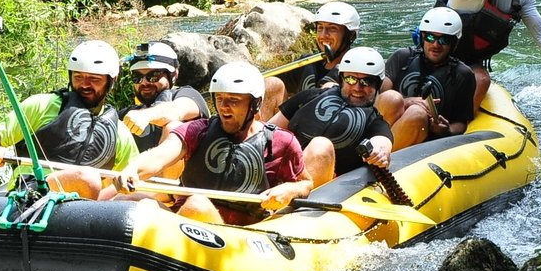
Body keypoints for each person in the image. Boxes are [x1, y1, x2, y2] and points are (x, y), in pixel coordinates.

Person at [115, 61, 312, 225]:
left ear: (255, 104)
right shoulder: (197, 130)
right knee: (127, 201)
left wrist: (289, 190)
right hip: (186, 219)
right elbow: (159, 155)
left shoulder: (282, 142)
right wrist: (133, 168)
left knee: (197, 205)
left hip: (243, 233)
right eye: (219, 99)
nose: (224, 107)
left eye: (234, 100)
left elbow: (306, 183)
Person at [0, 40, 139, 199]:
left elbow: (133, 175)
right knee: (87, 177)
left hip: (83, 209)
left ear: (112, 81)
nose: (85, 84)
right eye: (78, 77)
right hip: (31, 192)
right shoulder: (42, 105)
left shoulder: (119, 132)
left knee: (140, 198)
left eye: (95, 79)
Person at [266, 46, 393, 188]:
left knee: (320, 145)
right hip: (283, 169)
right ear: (341, 79)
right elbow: (269, 130)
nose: (357, 88)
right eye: (350, 79)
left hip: (322, 183)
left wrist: (379, 152)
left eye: (366, 82)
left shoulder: (374, 122)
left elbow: (382, 142)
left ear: (378, 85)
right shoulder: (310, 96)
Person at [379, 7, 476, 148]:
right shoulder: (402, 57)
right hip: (389, 126)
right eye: (430, 37)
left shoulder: (463, 74)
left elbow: (461, 123)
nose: (436, 44)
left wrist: (446, 130)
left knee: (416, 113)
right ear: (422, 37)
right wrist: (406, 102)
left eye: (444, 40)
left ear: (453, 43)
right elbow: (378, 98)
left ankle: (378, 159)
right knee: (391, 98)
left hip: (425, 141)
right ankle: (375, 151)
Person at [260, 0, 361, 121]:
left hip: (330, 131)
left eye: (332, 29)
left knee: (329, 88)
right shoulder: (306, 62)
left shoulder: (359, 71)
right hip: (294, 126)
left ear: (350, 35)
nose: (323, 35)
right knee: (271, 83)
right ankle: (259, 138)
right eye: (320, 28)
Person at [117, 41, 209, 153]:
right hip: (135, 170)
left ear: (174, 75)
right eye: (137, 77)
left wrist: (146, 115)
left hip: (184, 169)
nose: (144, 82)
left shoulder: (189, 95)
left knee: (173, 127)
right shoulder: (128, 114)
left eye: (153, 76)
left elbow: (177, 110)